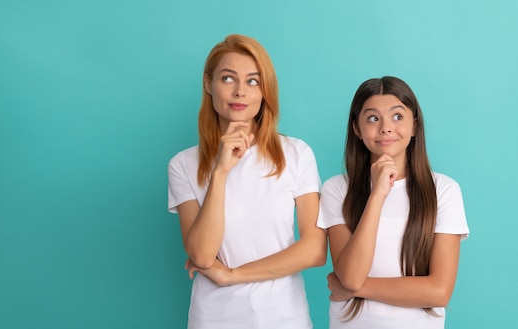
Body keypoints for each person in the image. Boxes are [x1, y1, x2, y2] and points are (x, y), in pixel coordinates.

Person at [167, 34, 327, 329]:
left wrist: (232, 275)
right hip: (214, 317)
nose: (240, 91)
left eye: (253, 81)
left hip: (283, 316)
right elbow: (202, 255)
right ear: (208, 83)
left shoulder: (296, 153)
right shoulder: (183, 164)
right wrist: (220, 172)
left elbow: (315, 250)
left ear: (265, 90)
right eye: (228, 78)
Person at [317, 76, 470, 328]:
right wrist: (377, 194)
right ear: (357, 129)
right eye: (373, 118)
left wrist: (357, 288)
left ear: (414, 126)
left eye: (397, 117)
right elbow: (352, 276)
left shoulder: (443, 190)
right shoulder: (336, 188)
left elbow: (438, 291)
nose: (386, 128)